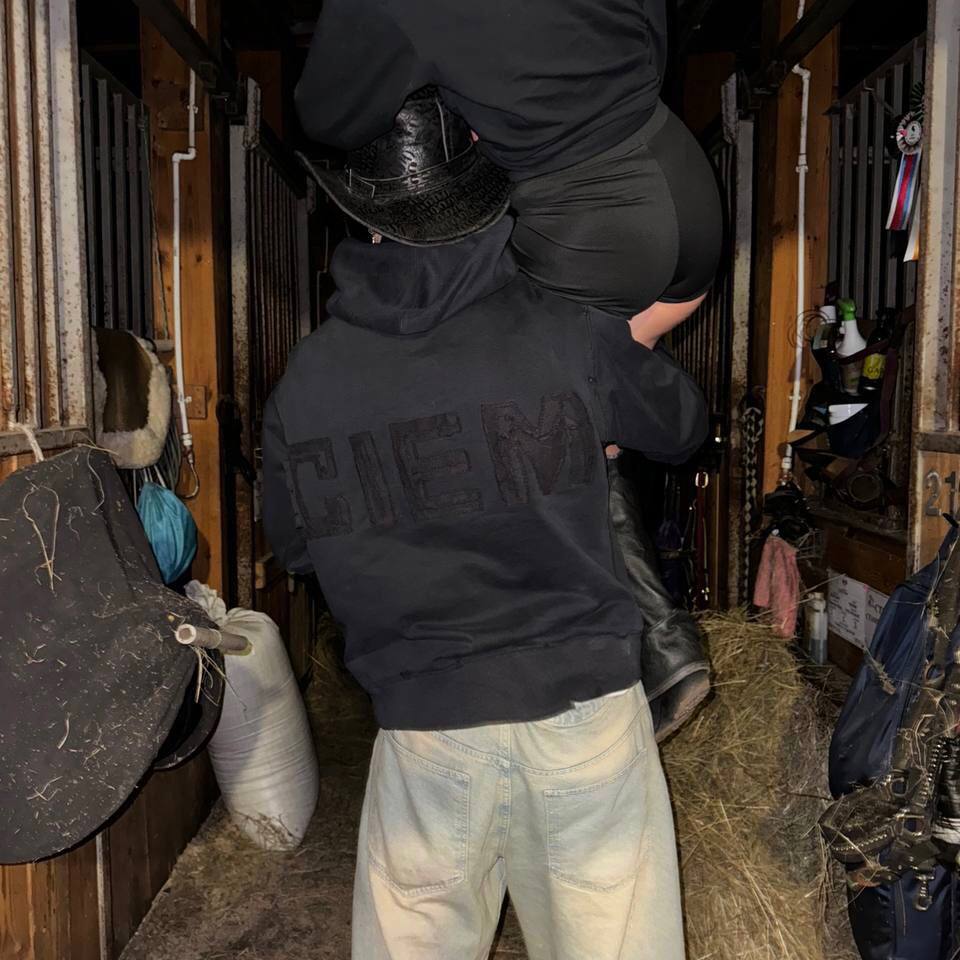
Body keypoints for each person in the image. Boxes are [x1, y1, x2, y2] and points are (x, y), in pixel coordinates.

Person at [264, 90, 705, 959]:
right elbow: (683, 427)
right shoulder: (566, 329)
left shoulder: (308, 379)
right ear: (481, 192)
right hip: (584, 719)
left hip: (425, 730)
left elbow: (299, 548)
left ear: (363, 214)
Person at [294, 0, 724, 349]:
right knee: (614, 404)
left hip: (590, 227)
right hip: (685, 177)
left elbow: (329, 114)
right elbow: (652, 35)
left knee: (536, 417)